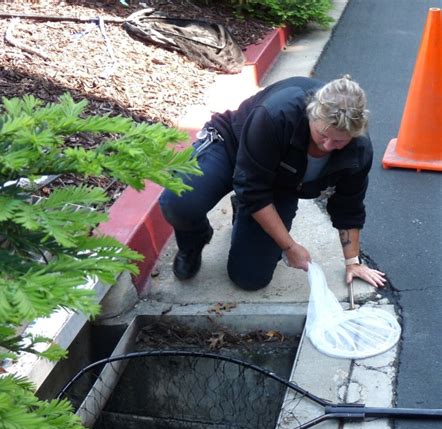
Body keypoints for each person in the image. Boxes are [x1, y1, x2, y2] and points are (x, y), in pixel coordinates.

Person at [159, 75, 386, 291]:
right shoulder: (277, 114)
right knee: (178, 202)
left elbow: (349, 205)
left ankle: (244, 210)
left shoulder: (358, 151)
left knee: (249, 278)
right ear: (311, 114)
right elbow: (252, 188)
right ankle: (193, 240)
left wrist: (353, 262)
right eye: (322, 135)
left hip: (279, 181)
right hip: (232, 145)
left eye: (338, 141)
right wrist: (290, 246)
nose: (327, 146)